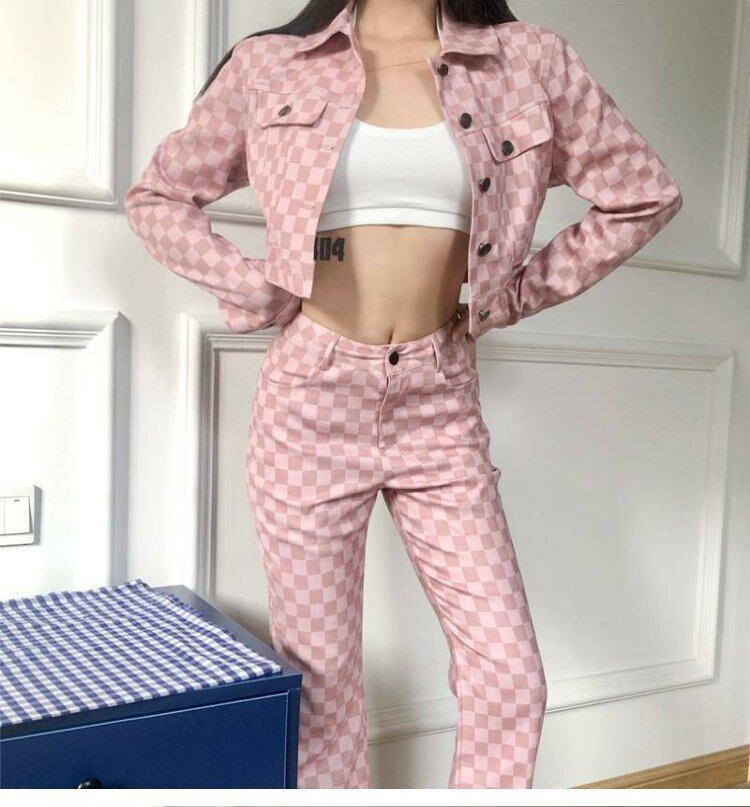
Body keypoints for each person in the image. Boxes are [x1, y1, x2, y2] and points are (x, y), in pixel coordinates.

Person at [124, 0, 683, 789]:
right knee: (323, 692)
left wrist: (514, 295)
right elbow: (158, 196)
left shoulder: (530, 62)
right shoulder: (270, 65)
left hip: (439, 398)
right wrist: (254, 285)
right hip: (309, 402)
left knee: (510, 674)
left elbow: (641, 193)